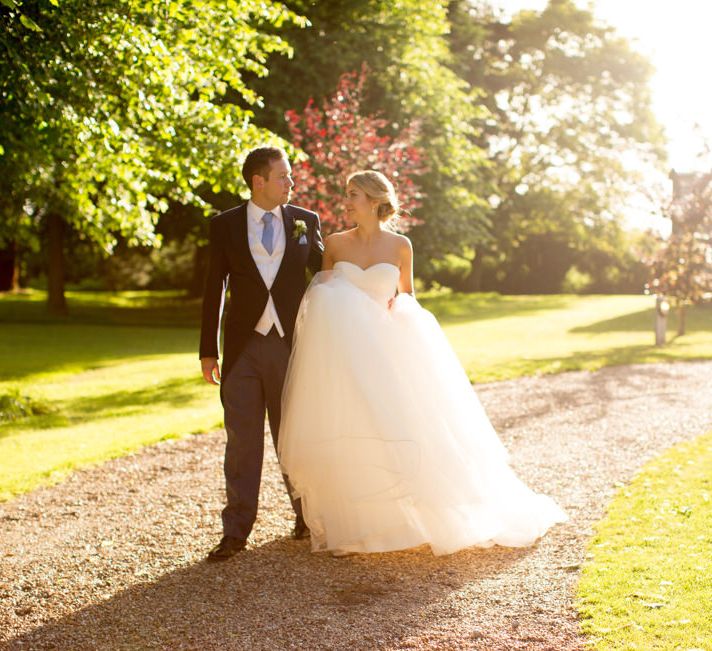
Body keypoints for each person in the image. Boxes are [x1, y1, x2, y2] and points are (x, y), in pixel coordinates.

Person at [278, 170, 567, 556]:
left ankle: (420, 517)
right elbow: (322, 302)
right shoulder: (333, 244)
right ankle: (357, 527)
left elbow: (405, 298)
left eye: (354, 195)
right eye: (346, 194)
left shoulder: (400, 246)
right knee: (353, 432)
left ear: (376, 200)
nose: (346, 201)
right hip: (344, 360)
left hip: (388, 355)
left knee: (404, 432)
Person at [199, 146, 323, 561]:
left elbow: (327, 271)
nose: (292, 183)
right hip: (241, 350)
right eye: (284, 176)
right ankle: (235, 532)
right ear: (259, 181)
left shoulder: (305, 222)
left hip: (292, 345)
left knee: (295, 435)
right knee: (241, 442)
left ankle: (307, 516)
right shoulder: (225, 226)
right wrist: (207, 351)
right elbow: (214, 288)